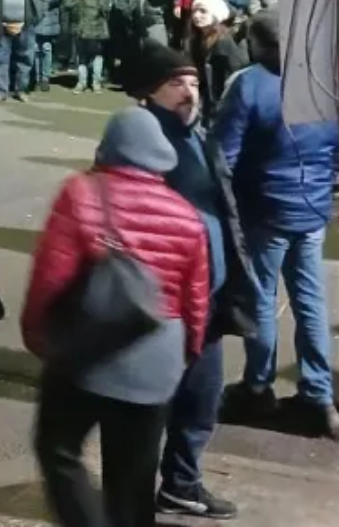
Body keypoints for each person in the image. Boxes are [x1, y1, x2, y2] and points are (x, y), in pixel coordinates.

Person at [22, 106, 210, 527]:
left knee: (58, 448)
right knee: (134, 476)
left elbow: (49, 279)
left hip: (86, 348)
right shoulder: (186, 216)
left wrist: (39, 336)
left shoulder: (81, 193)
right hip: (155, 355)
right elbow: (195, 300)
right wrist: (188, 352)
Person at [132, 43, 252, 520]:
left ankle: (181, 484)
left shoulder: (196, 134)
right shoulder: (143, 142)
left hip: (208, 300)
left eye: (194, 83)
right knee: (155, 403)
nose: (188, 91)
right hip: (168, 304)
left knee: (202, 399)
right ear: (150, 92)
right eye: (175, 83)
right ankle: (135, 492)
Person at [212, 15, 339, 439]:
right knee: (310, 300)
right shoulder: (326, 82)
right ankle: (318, 395)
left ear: (258, 44)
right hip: (312, 207)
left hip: (265, 208)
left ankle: (258, 385)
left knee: (262, 298)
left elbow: (223, 157)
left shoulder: (249, 84)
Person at [186, 0, 246, 128]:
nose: (196, 15)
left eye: (203, 11)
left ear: (216, 14)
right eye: (194, 11)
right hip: (208, 101)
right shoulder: (197, 39)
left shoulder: (222, 42)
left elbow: (232, 75)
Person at [64, 0, 111, 93]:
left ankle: (96, 81)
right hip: (78, 15)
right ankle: (81, 81)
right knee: (80, 52)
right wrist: (70, 4)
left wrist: (103, 6)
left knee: (96, 52)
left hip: (96, 15)